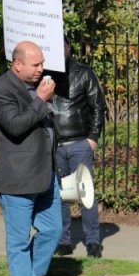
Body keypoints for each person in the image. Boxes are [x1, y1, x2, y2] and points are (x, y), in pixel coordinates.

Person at [0, 41, 62, 276]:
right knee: (19, 239)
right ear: (17, 64)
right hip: (18, 178)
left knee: (53, 230)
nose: (41, 69)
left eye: (42, 63)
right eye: (36, 64)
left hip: (45, 175)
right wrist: (41, 99)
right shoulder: (1, 90)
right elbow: (16, 126)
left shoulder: (33, 88)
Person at [48, 37, 106, 258]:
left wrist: (92, 138)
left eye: (61, 46)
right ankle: (63, 241)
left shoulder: (84, 73)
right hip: (55, 145)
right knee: (60, 195)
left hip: (79, 143)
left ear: (68, 48)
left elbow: (98, 106)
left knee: (85, 193)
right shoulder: (44, 75)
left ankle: (92, 241)